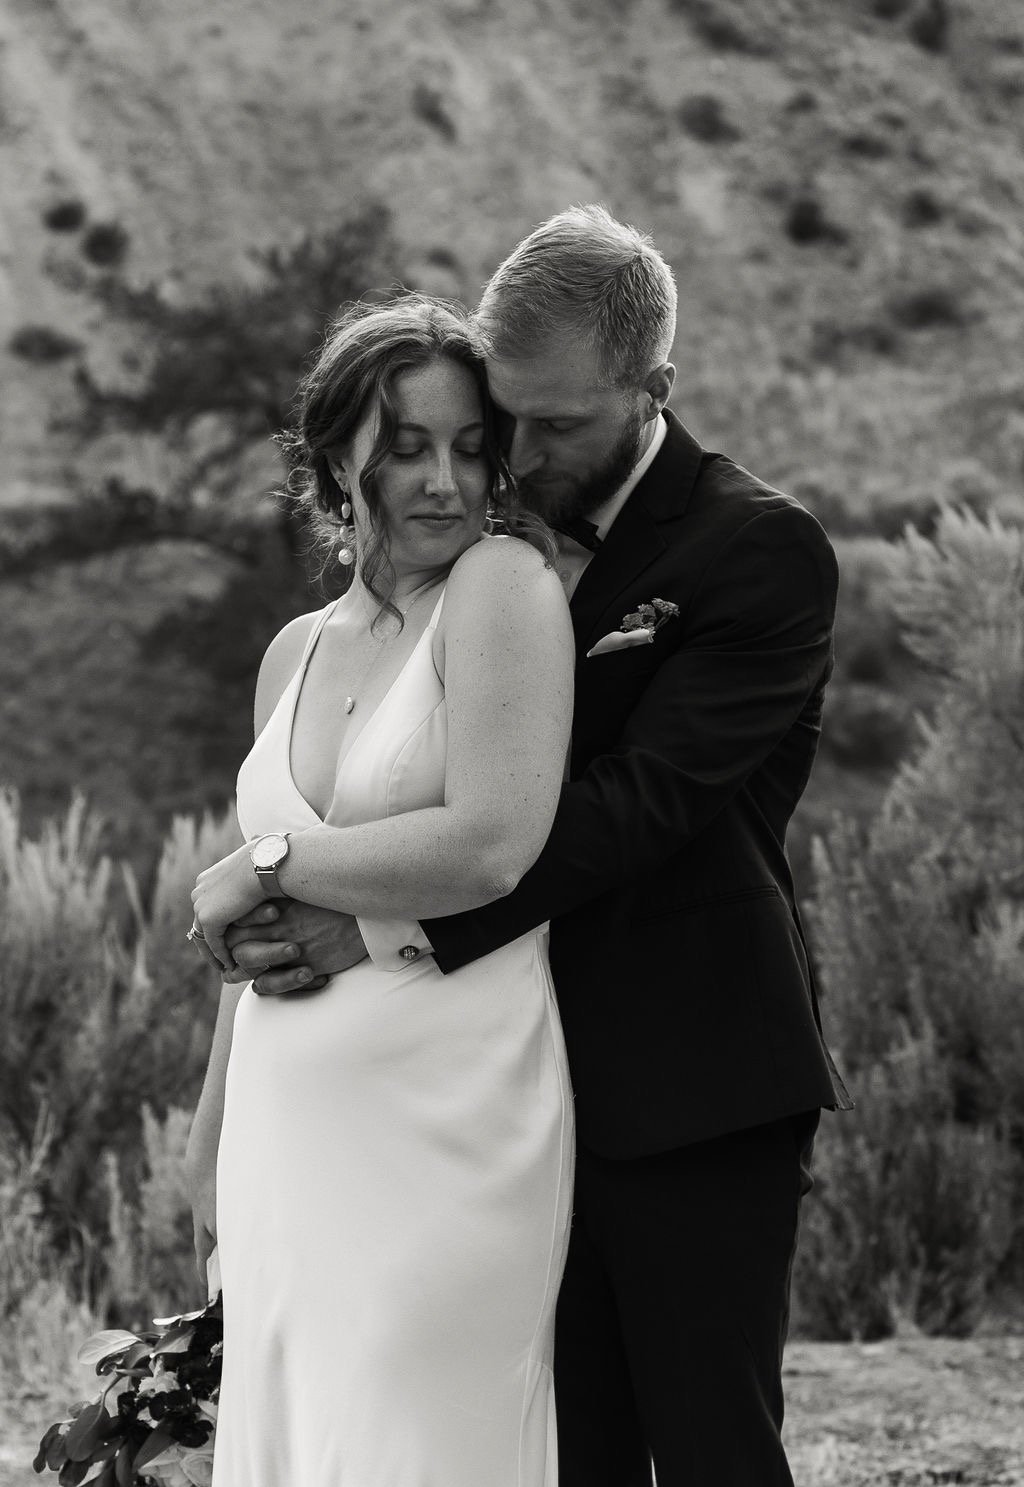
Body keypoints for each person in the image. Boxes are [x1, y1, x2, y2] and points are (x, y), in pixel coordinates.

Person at [228, 205, 854, 1487]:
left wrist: (373, 913)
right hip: (497, 1079)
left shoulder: (754, 549)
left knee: (712, 1440)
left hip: (687, 1070)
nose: (519, 450)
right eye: (506, 413)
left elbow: (635, 805)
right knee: (559, 1449)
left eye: (556, 424)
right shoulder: (474, 553)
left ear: (653, 388)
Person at [185, 295, 577, 1487]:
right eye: (406, 446)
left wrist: (264, 862)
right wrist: (209, 1130)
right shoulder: (293, 650)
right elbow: (251, 940)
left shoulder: (504, 588)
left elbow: (493, 842)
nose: (446, 481)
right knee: (295, 1433)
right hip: (282, 1127)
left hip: (451, 1117)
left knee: (416, 1437)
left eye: (469, 446)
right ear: (334, 460)